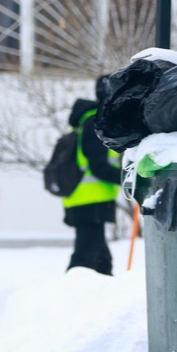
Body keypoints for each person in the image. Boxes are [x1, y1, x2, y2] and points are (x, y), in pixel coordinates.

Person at [63, 96, 120, 275]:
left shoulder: (85, 122)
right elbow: (98, 167)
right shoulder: (95, 123)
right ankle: (72, 288)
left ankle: (104, 286)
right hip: (91, 200)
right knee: (85, 257)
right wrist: (128, 178)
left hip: (83, 197)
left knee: (102, 259)